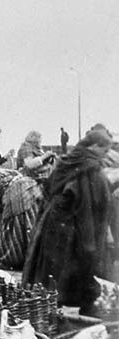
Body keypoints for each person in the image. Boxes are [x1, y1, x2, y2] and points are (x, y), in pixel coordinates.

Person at [22, 130, 116, 316]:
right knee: (78, 266)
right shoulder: (89, 166)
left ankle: (47, 307)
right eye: (104, 150)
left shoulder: (68, 160)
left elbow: (49, 187)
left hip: (53, 222)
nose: (105, 155)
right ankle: (82, 307)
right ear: (94, 146)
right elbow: (93, 199)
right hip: (74, 224)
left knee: (51, 269)